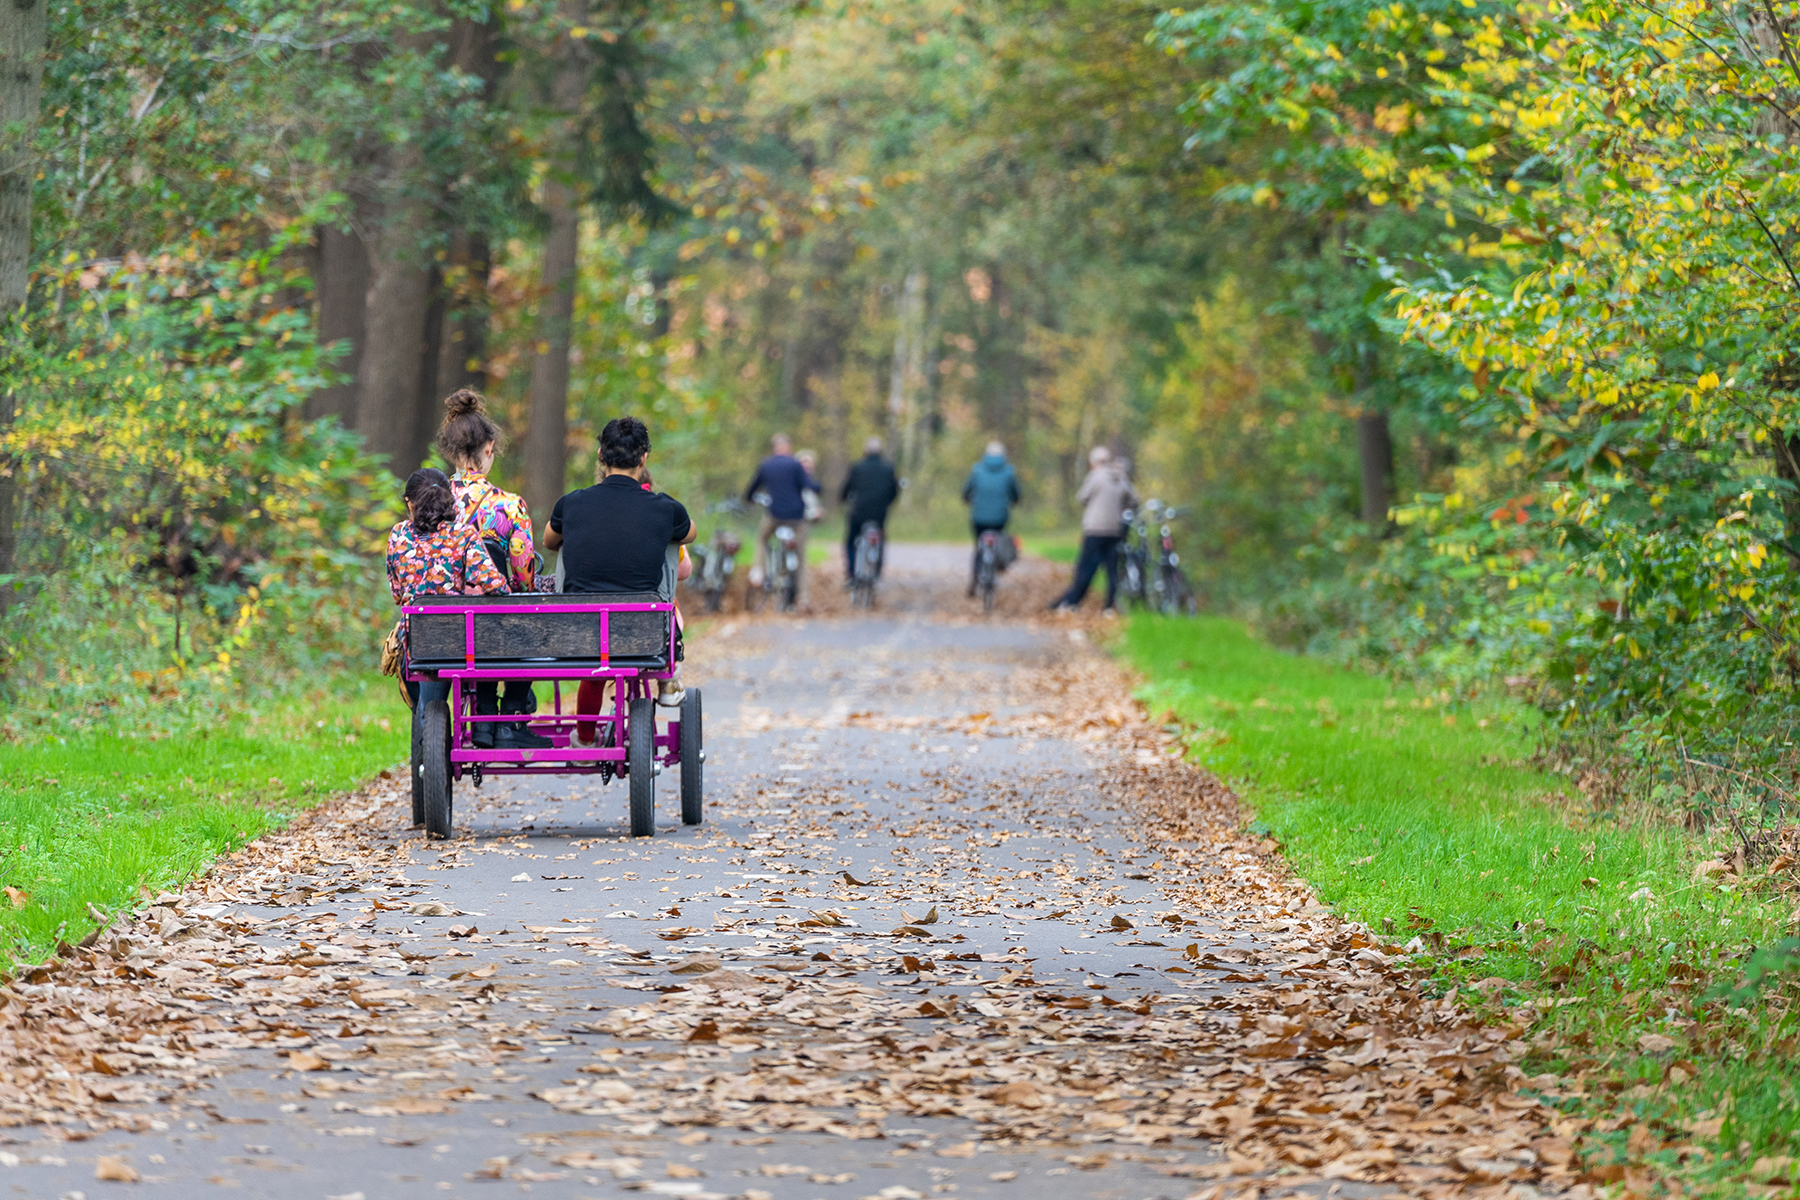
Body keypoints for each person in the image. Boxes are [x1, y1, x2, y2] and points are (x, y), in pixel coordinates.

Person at [545, 417, 696, 746]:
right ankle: (669, 668)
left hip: (579, 628)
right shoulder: (665, 507)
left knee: (564, 544)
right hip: (642, 626)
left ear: (600, 455)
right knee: (673, 541)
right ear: (644, 459)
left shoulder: (570, 503)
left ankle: (584, 739)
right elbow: (691, 534)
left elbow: (547, 540)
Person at [437, 389, 550, 750]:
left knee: (475, 619)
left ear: (452, 452)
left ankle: (483, 713)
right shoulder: (509, 506)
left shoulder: (431, 504)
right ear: (489, 449)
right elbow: (523, 575)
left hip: (445, 626)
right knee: (518, 609)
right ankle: (511, 716)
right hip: (498, 628)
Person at [387, 468, 510, 711]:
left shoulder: (398, 535)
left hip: (418, 640)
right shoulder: (462, 534)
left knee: (427, 703)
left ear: (409, 503)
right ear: (448, 498)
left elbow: (398, 593)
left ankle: (427, 733)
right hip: (457, 639)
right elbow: (497, 587)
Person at [1052, 446, 1138, 615]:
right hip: (1114, 531)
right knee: (1112, 570)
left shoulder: (1096, 476)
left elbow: (1081, 497)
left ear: (1094, 463)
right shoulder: (1120, 478)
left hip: (1094, 530)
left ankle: (1072, 602)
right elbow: (1135, 500)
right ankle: (1109, 607)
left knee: (1086, 568)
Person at [743, 433, 821, 611]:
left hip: (774, 516)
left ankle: (758, 572)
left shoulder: (766, 465)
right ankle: (804, 599)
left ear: (774, 448)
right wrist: (818, 488)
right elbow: (808, 485)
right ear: (788, 447)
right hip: (796, 518)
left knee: (761, 539)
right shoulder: (795, 465)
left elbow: (753, 487)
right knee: (801, 558)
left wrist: (747, 500)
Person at [962, 440, 1020, 598]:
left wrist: (967, 499)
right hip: (1000, 518)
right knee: (998, 541)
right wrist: (1014, 500)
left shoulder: (977, 470)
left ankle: (974, 579)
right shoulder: (1009, 471)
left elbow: (966, 491)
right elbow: (1016, 494)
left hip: (979, 518)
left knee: (978, 547)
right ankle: (998, 566)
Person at [840, 436, 900, 582]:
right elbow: (894, 491)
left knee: (851, 540)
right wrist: (887, 503)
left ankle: (852, 574)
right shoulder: (888, 468)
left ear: (865, 451)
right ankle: (877, 570)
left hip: (859, 513)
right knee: (880, 537)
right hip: (879, 513)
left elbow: (847, 488)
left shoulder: (857, 467)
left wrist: (842, 499)